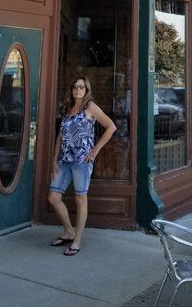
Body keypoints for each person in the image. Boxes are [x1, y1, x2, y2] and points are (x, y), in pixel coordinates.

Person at [48, 75, 116, 256]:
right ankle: (69, 231)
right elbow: (60, 137)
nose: (78, 90)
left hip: (81, 161)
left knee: (80, 199)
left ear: (86, 90)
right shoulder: (67, 109)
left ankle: (77, 240)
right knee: (54, 197)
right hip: (64, 160)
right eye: (75, 87)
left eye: (81, 87)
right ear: (72, 90)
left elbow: (111, 127)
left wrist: (95, 150)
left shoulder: (90, 107)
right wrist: (54, 160)